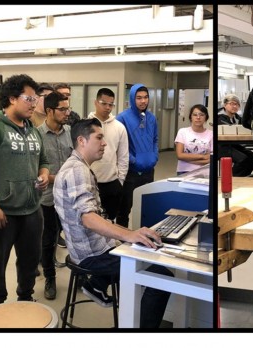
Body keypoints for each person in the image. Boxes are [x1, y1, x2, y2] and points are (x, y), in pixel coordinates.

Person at [54, 118, 173, 328]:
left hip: (98, 247)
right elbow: (89, 219)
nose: (104, 143)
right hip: (91, 256)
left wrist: (132, 232)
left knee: (144, 248)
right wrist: (129, 236)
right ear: (81, 141)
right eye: (99, 138)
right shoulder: (77, 171)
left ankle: (98, 286)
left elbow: (97, 217)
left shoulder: (79, 167)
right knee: (161, 275)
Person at [0, 74, 51, 305]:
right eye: (29, 98)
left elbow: (43, 160)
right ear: (12, 98)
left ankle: (25, 298)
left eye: (36, 99)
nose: (34, 104)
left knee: (29, 261)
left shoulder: (33, 129)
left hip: (32, 210)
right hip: (2, 213)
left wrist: (44, 174)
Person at [36, 91, 73, 300]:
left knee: (76, 237)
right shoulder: (37, 136)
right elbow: (34, 171)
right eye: (62, 109)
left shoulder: (70, 132)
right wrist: (57, 178)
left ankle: (82, 275)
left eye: (67, 108)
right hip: (48, 199)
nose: (67, 112)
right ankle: (50, 277)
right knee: (48, 241)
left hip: (69, 197)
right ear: (49, 111)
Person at [116, 84, 158, 227]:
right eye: (139, 98)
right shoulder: (122, 118)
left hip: (148, 171)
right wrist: (133, 161)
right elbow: (119, 146)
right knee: (125, 209)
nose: (143, 101)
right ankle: (122, 240)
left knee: (147, 207)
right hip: (131, 172)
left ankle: (145, 238)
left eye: (145, 97)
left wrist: (154, 156)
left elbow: (155, 139)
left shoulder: (151, 118)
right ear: (132, 99)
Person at [86, 88, 129, 224]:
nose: (107, 107)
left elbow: (123, 156)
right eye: (103, 103)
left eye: (111, 104)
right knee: (91, 221)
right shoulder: (85, 125)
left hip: (112, 183)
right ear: (95, 103)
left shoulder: (119, 127)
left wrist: (120, 180)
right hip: (90, 183)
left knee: (109, 221)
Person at [217, 94, 253, 176]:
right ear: (225, 105)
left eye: (237, 104)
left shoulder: (237, 118)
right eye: (232, 103)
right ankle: (231, 177)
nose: (234, 106)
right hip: (222, 147)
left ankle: (242, 177)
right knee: (242, 159)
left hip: (234, 145)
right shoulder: (219, 117)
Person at [175, 104, 213, 175]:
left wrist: (188, 159)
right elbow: (180, 155)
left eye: (201, 115)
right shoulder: (182, 132)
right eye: (195, 115)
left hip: (205, 171)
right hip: (184, 171)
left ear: (206, 117)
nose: (198, 117)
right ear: (190, 117)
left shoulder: (211, 134)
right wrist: (203, 156)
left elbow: (211, 159)